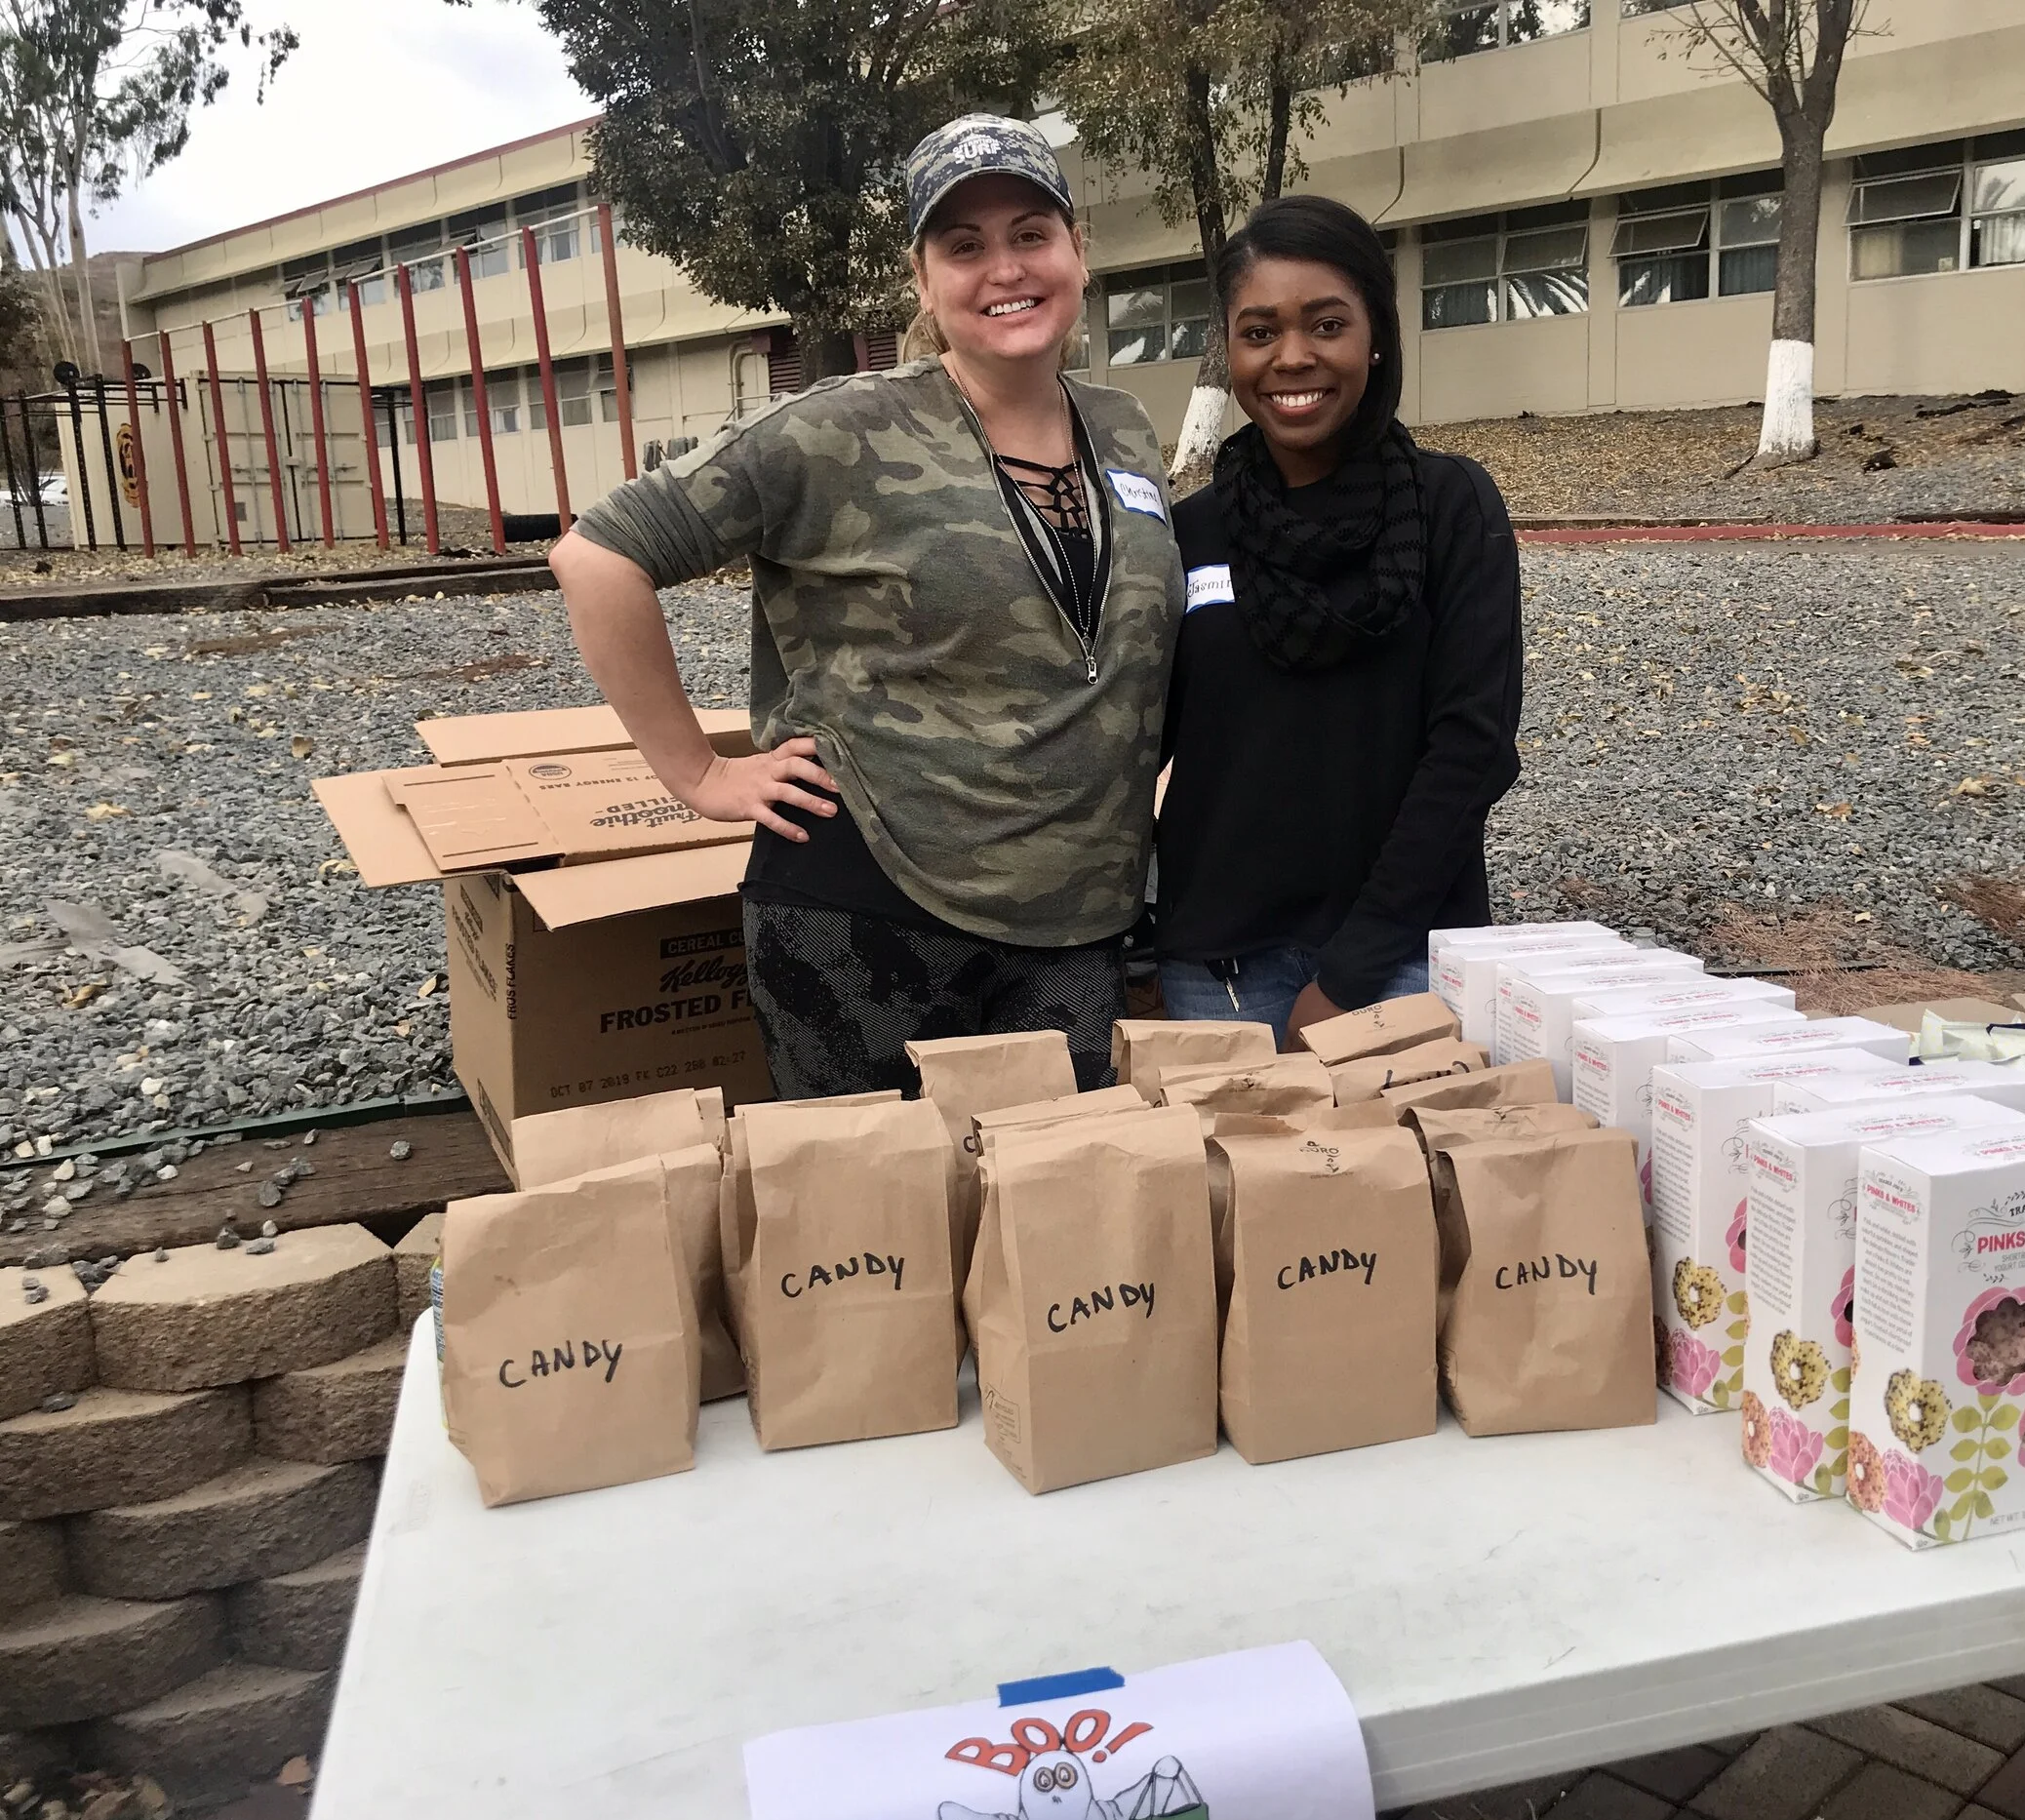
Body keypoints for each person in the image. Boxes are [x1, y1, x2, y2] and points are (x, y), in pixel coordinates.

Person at [550, 115, 1184, 1096]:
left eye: (1029, 233)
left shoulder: (1125, 427)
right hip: (872, 919)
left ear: (1077, 252)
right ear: (923, 281)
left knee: (1055, 1225)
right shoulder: (838, 430)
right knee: (879, 1233)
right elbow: (599, 556)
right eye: (962, 246)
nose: (1003, 268)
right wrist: (697, 775)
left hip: (1078, 928)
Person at [1153, 193, 1523, 1047]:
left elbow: (1471, 748)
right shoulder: (1192, 531)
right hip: (1218, 975)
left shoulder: (1450, 507)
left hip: (1405, 961)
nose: (1292, 358)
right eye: (1259, 332)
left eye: (1326, 325)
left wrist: (1350, 970)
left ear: (1375, 335)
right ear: (1231, 349)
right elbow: (1128, 740)